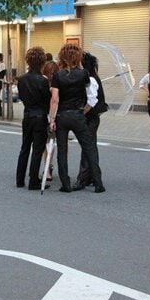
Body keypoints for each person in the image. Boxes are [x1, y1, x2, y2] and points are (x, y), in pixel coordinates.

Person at [48, 43, 105, 193]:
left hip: (62, 115)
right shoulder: (84, 74)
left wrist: (52, 119)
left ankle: (65, 184)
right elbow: (92, 96)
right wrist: (83, 110)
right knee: (89, 147)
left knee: (62, 150)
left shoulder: (58, 75)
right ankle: (98, 183)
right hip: (78, 115)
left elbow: (55, 99)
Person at [15, 46, 50, 190]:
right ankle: (34, 180)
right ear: (42, 61)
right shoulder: (42, 80)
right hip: (40, 116)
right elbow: (47, 100)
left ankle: (19, 179)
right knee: (37, 149)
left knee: (25, 147)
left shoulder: (22, 79)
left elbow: (22, 96)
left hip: (27, 115)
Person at [74, 51, 109, 190]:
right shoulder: (92, 76)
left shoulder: (90, 79)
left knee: (87, 147)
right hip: (93, 117)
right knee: (90, 147)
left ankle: (83, 178)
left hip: (90, 117)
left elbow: (92, 101)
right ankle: (93, 177)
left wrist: (82, 113)